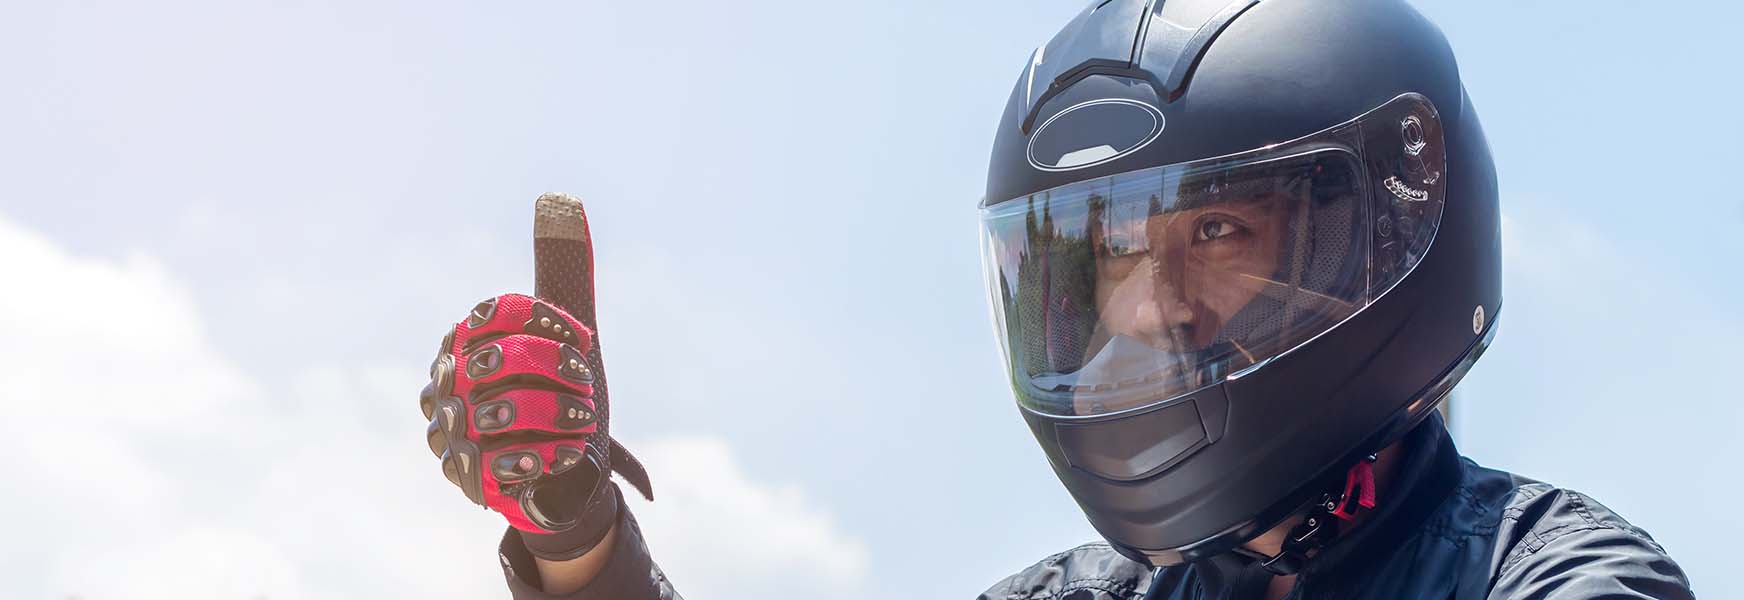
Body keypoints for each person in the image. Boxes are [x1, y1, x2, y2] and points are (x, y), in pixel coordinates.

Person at [417, 1, 1697, 598]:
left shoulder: (1555, 576)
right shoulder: (1081, 596)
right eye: (1108, 259)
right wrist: (570, 528)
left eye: (1213, 230)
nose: (1149, 308)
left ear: (1393, 222)